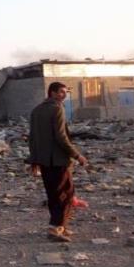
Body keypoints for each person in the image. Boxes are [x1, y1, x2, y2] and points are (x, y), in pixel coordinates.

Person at [27, 82, 89, 242]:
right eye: (61, 92)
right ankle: (55, 229)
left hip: (44, 161)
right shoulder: (57, 109)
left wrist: (34, 159)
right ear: (52, 93)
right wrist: (77, 156)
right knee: (65, 194)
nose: (64, 95)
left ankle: (61, 226)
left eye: (65, 92)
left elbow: (32, 138)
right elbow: (61, 137)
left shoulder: (36, 110)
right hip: (58, 160)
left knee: (53, 194)